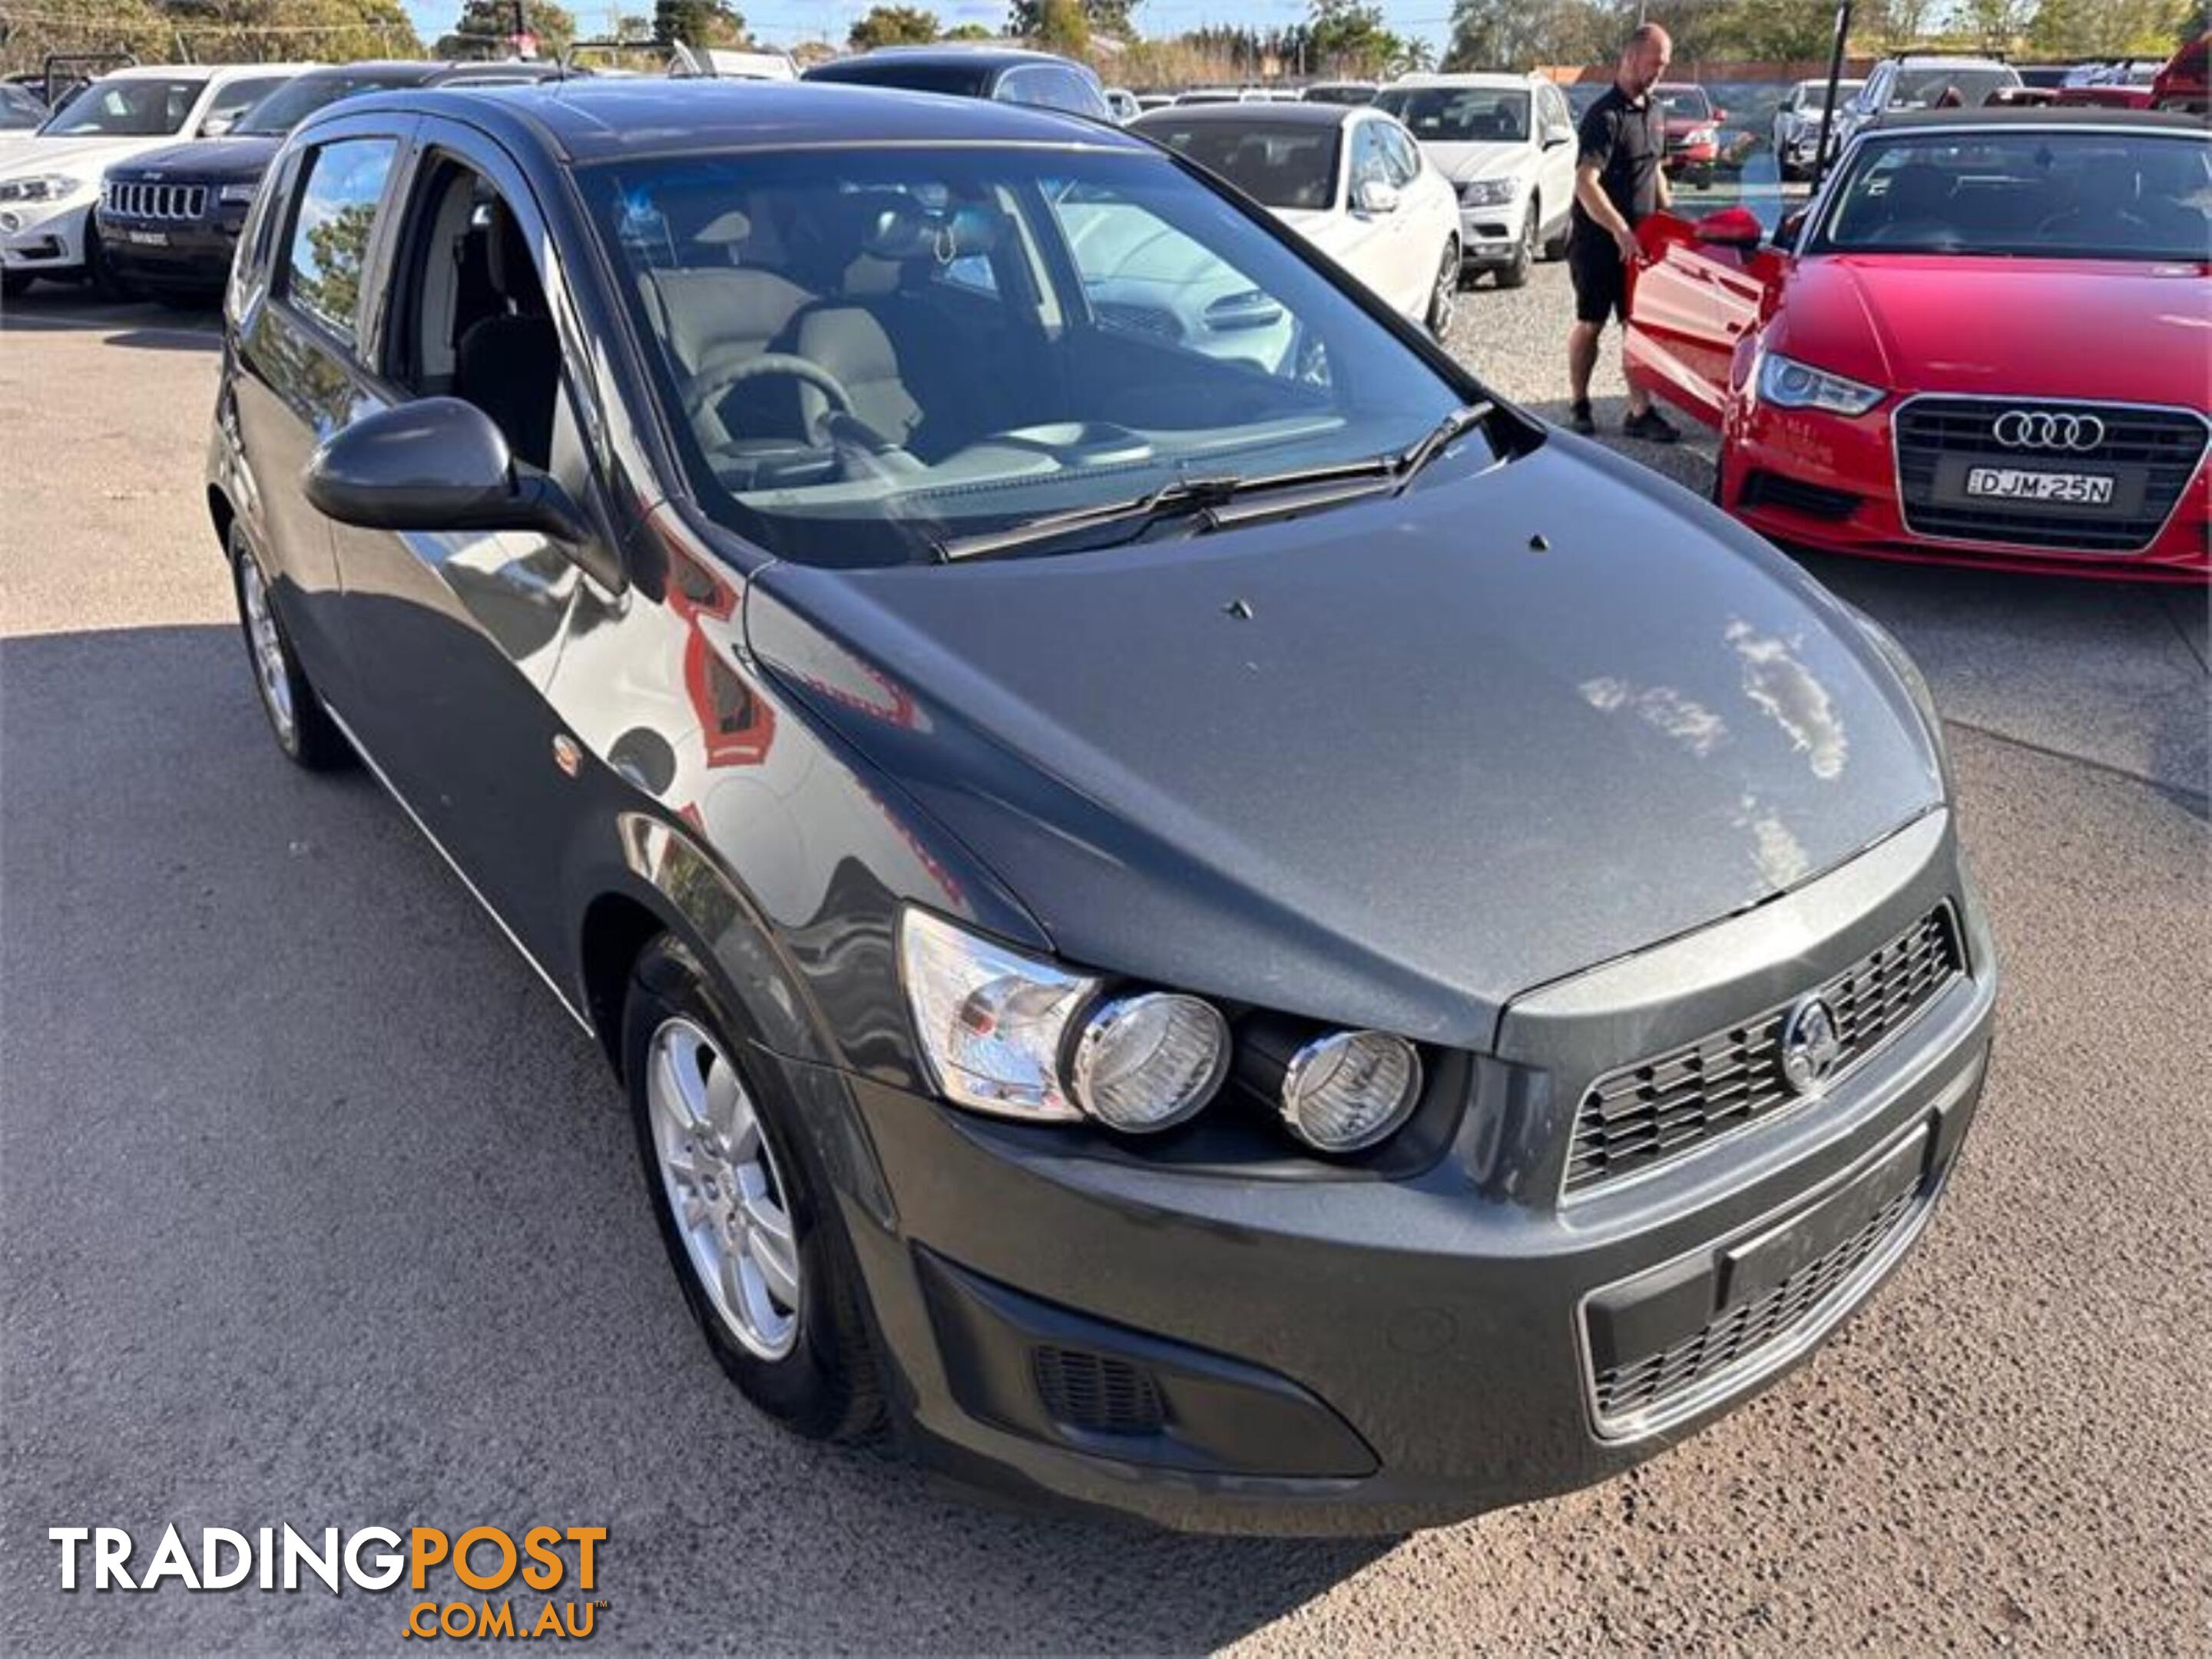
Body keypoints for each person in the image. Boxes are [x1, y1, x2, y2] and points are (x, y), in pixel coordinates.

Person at [1565, 23, 1678, 443]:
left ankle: (1640, 411)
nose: (1659, 73)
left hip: (1641, 245)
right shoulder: (1604, 116)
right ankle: (1579, 403)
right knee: (1591, 324)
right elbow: (1586, 183)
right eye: (1655, 64)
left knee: (1638, 328)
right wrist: (1619, 229)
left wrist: (1675, 222)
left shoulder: (1656, 111)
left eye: (1664, 66)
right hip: (1599, 244)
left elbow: (1656, 174)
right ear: (1631, 58)